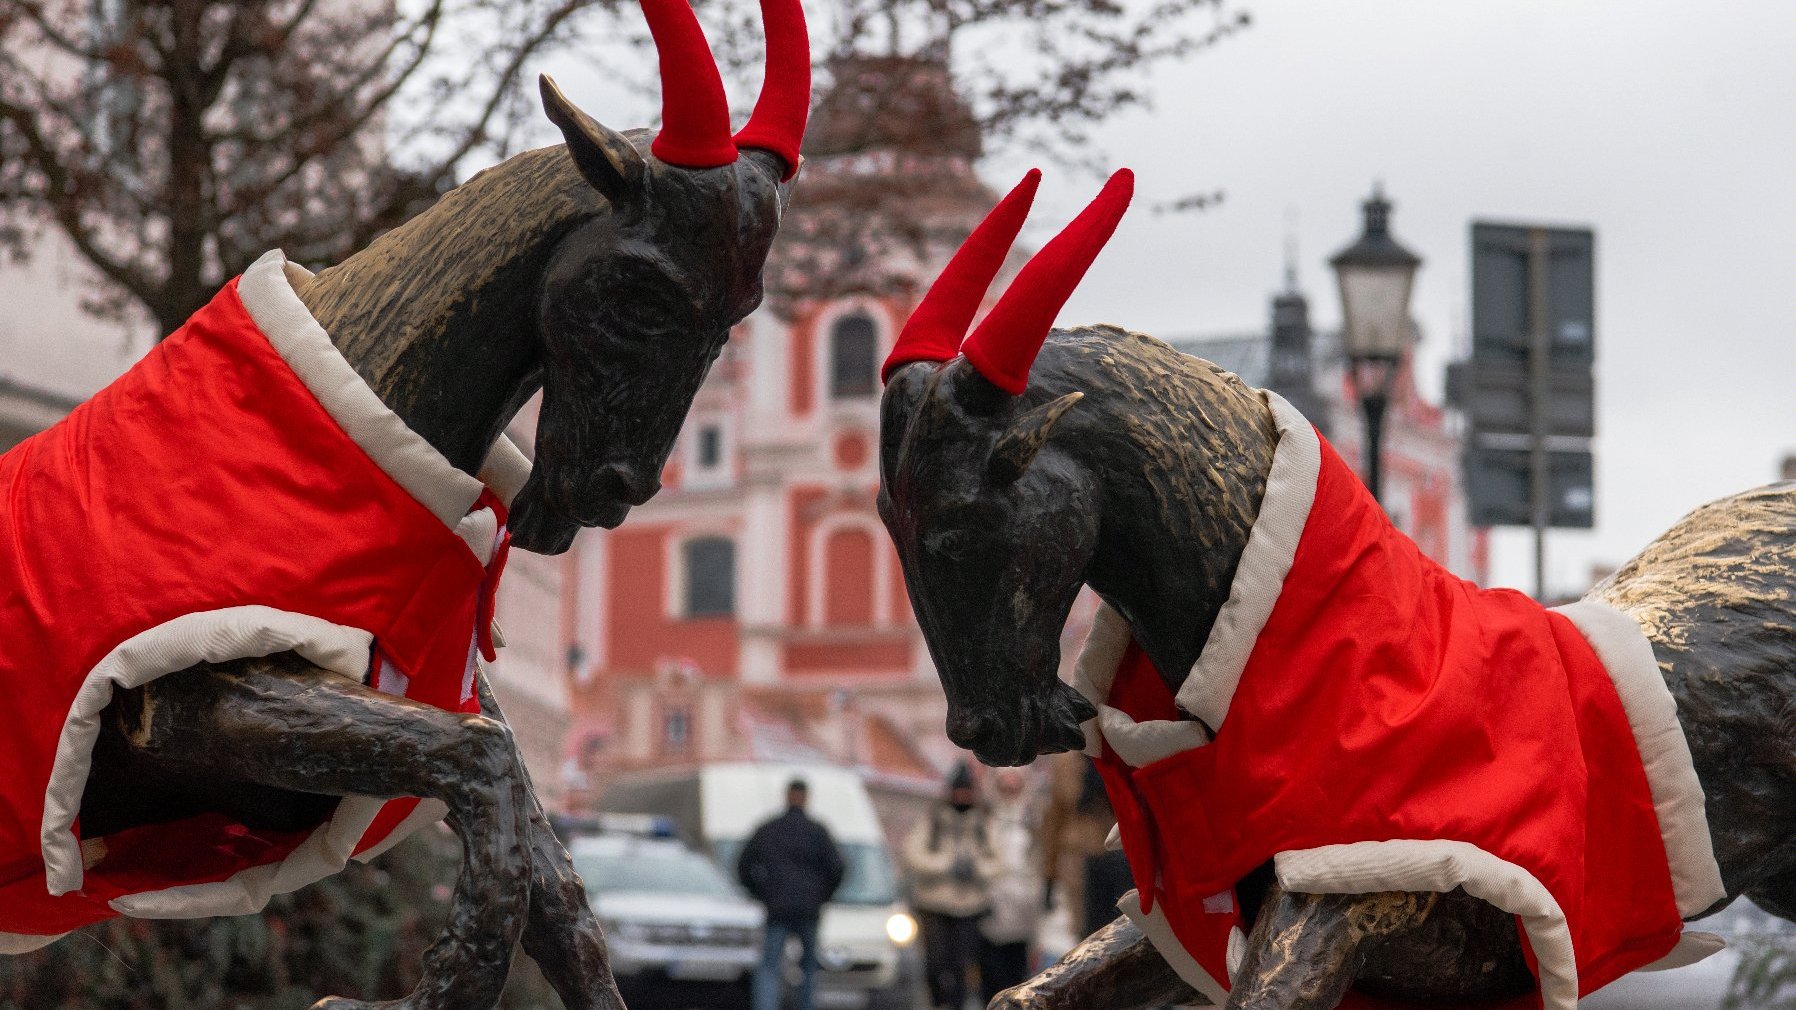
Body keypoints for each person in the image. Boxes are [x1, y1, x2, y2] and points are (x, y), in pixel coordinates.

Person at [737, 779, 847, 1010]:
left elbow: (743, 865)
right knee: (807, 968)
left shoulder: (770, 829)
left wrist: (761, 892)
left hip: (778, 909)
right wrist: (821, 896)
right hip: (807, 910)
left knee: (770, 967)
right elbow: (837, 868)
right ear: (805, 797)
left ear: (787, 795)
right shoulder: (816, 832)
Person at [903, 762, 1002, 1010]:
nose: (962, 797)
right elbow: (912, 853)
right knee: (935, 963)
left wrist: (976, 868)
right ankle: (940, 1003)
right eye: (958, 791)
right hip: (934, 904)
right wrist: (946, 865)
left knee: (961, 965)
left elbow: (999, 860)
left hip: (970, 906)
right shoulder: (934, 818)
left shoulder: (983, 823)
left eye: (966, 791)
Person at [978, 767, 1044, 1002]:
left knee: (1018, 982)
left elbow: (1038, 863)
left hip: (1023, 914)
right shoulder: (985, 821)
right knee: (990, 982)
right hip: (989, 911)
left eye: (1014, 785)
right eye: (1004, 785)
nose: (1009, 790)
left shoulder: (1031, 821)